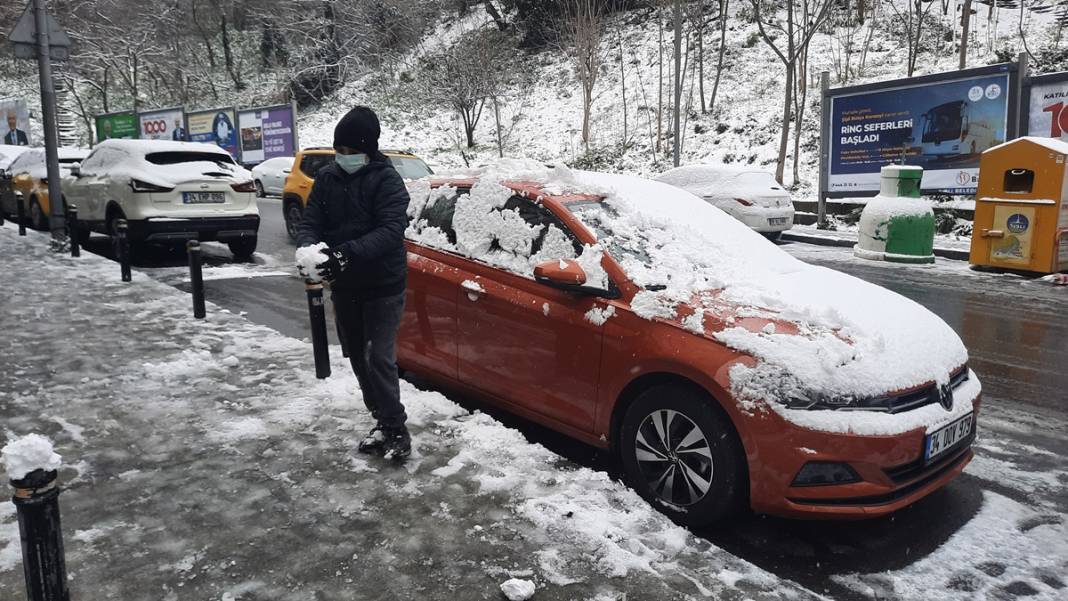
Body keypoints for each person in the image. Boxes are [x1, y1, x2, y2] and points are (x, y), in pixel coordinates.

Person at [295, 106, 412, 460]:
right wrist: (309, 252)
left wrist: (346, 253)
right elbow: (310, 220)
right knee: (358, 357)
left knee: (378, 357)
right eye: (339, 151)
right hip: (346, 287)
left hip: (383, 286)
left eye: (350, 152)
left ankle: (397, 428)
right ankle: (381, 421)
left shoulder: (387, 180)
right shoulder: (328, 179)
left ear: (369, 149)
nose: (343, 157)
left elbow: (391, 230)